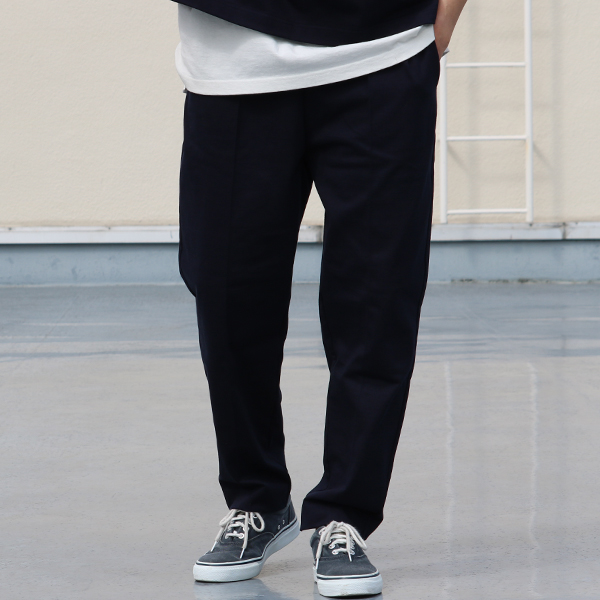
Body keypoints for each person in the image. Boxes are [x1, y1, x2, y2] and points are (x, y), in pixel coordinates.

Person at [175, 0, 468, 596]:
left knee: (376, 301)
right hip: (231, 65)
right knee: (228, 299)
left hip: (381, 54)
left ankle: (345, 514)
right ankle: (257, 499)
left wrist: (442, 20)